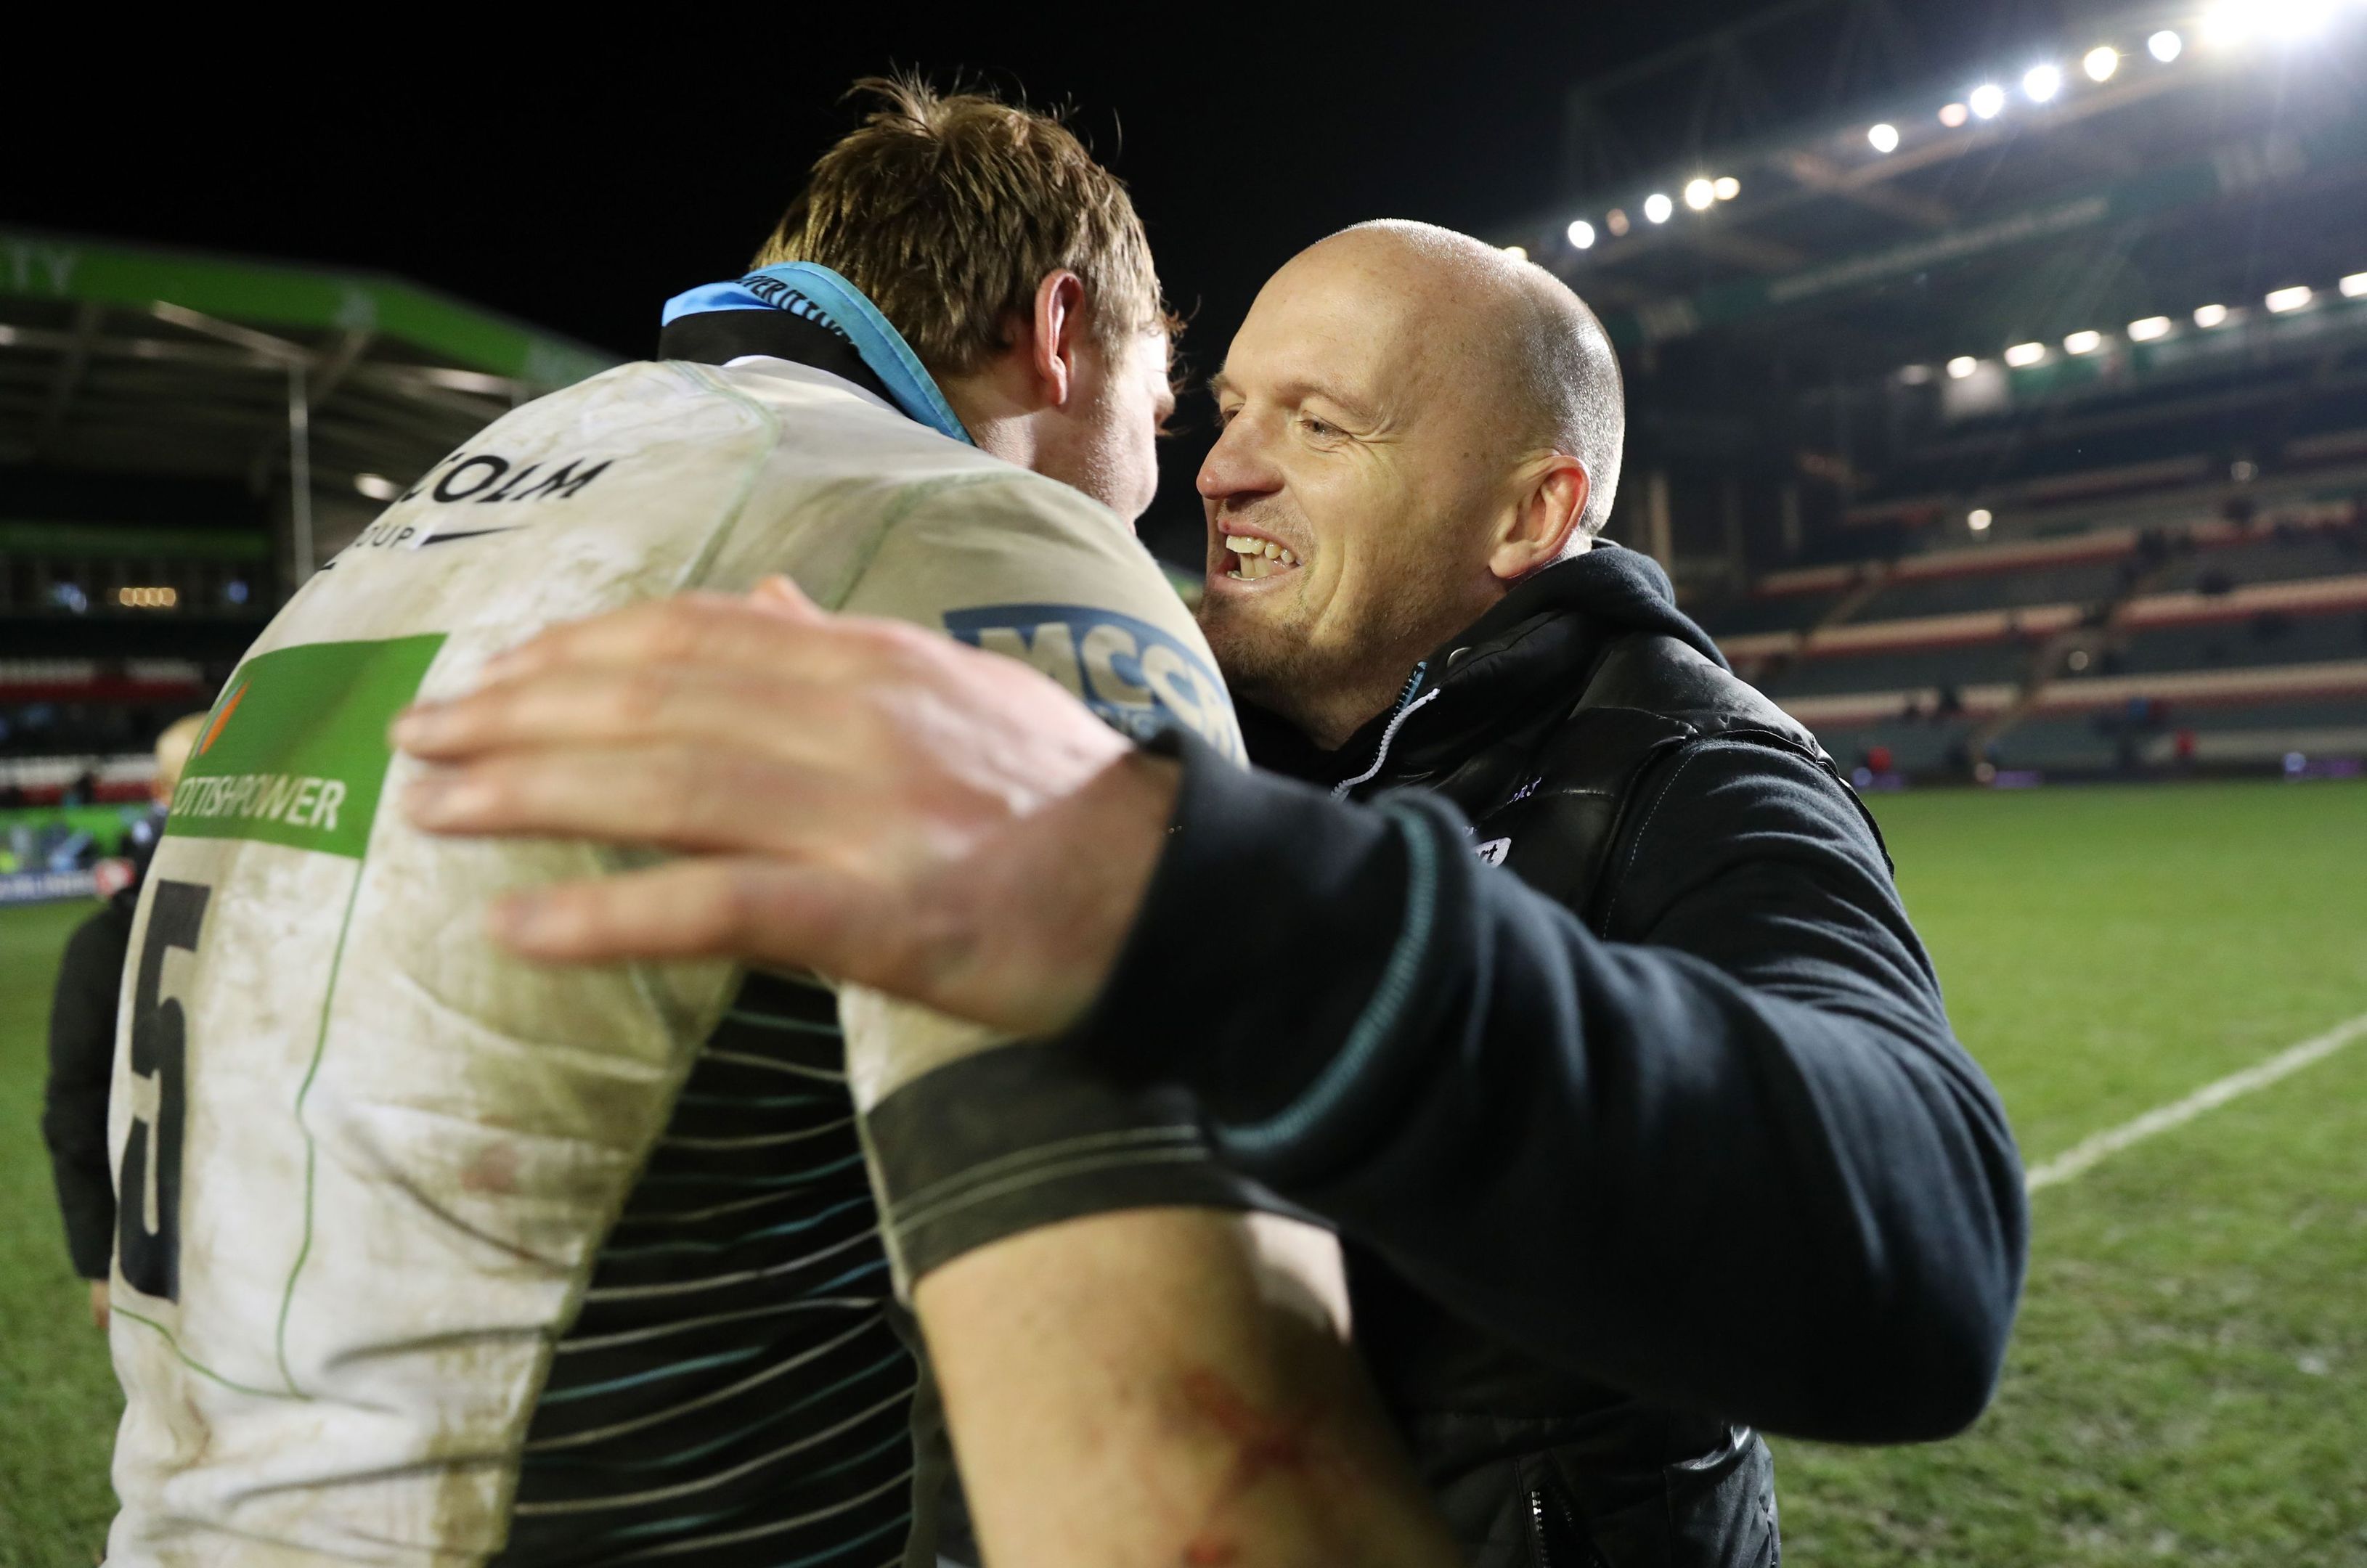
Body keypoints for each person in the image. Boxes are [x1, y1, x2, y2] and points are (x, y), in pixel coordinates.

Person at [399, 221, 2030, 1567]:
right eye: (1232, 408)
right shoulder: (1165, 708)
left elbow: (1933, 1254)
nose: (1226, 472)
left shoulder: (1693, 765)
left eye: (1320, 427)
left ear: (1530, 512)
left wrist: (1176, 892)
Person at [105, 84, 1452, 1568]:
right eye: (1156, 416)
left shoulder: (434, 513)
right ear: (1059, 333)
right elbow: (1201, 1449)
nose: (1154, 491)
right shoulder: (969, 533)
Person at [43, 711, 205, 1335]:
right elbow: (76, 1107)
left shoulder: (106, 936)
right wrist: (99, 1260)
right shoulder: (108, 944)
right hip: (173, 1244)